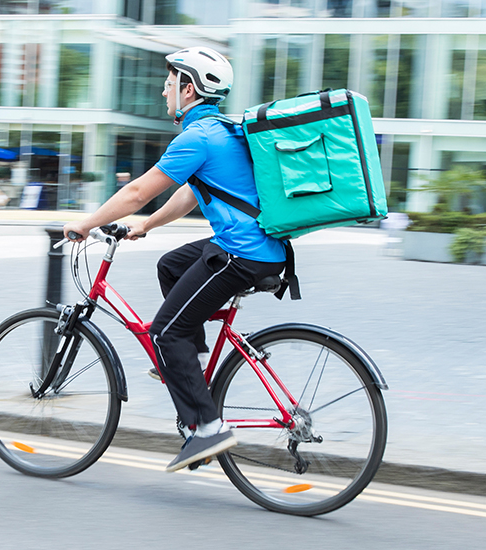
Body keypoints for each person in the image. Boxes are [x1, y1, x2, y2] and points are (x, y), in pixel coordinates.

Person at [63, 47, 288, 473]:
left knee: (164, 331)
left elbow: (136, 193)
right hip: (258, 247)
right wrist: (146, 227)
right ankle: (193, 362)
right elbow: (191, 193)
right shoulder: (221, 130)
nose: (163, 90)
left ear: (188, 89)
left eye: (168, 84)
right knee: (170, 264)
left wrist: (85, 222)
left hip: (241, 254)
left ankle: (208, 428)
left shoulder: (197, 136)